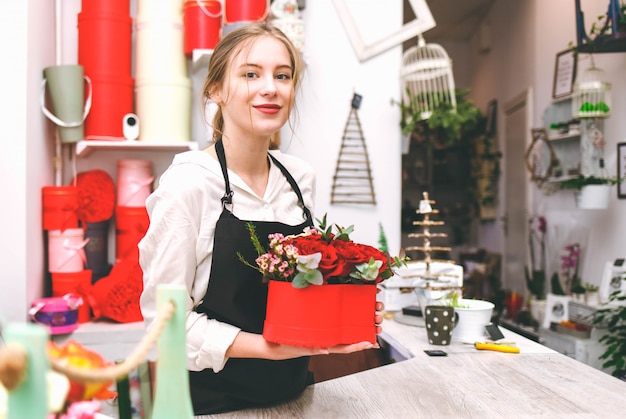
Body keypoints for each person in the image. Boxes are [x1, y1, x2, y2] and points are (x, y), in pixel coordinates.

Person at [138, 22, 383, 416]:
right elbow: (164, 328)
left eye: (282, 75)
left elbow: (294, 293)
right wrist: (275, 348)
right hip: (210, 406)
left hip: (294, 397)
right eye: (250, 74)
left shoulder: (300, 179)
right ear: (215, 89)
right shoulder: (187, 186)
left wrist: (343, 306)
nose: (271, 87)